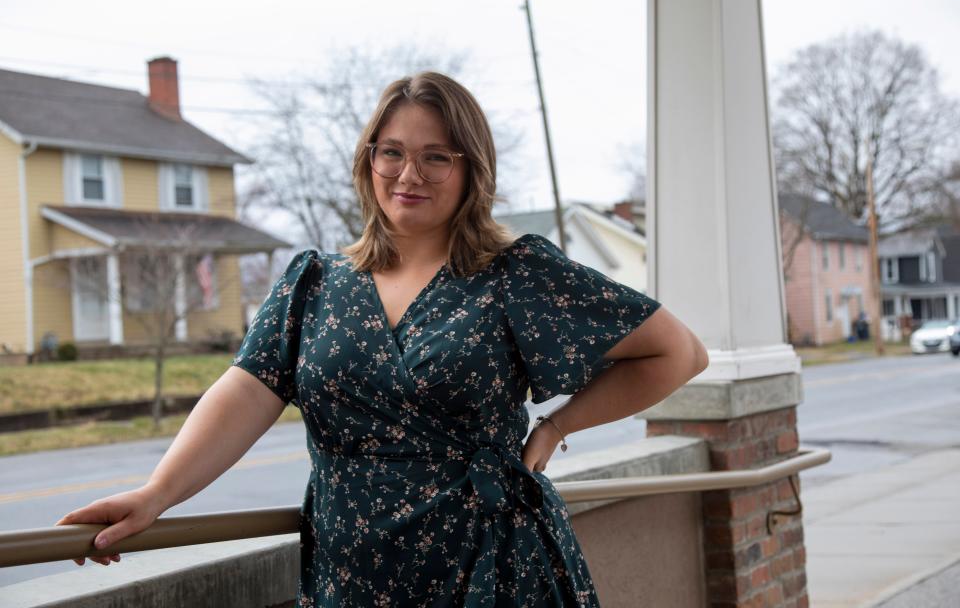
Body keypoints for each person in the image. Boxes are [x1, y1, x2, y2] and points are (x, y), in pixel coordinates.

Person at [56, 72, 709, 606]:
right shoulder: (316, 283)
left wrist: (556, 428)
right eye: (391, 152)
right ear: (369, 159)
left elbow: (678, 352)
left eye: (436, 157)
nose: (409, 174)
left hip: (487, 567)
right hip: (353, 574)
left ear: (470, 169)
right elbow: (246, 392)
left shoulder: (515, 275)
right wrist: (156, 495)